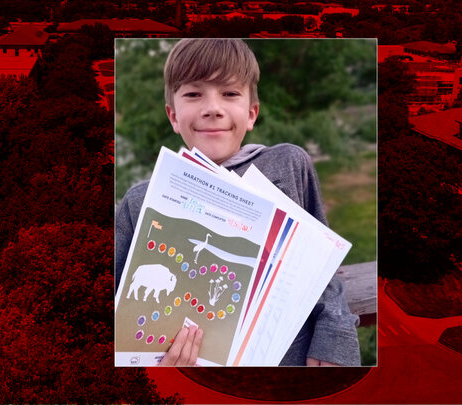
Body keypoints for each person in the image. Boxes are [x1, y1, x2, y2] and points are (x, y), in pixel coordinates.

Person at [115, 38, 360, 366]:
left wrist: (335, 338)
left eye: (229, 94)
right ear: (173, 116)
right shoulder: (141, 201)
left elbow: (323, 274)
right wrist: (156, 368)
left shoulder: (287, 166)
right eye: (193, 94)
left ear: (251, 113)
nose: (213, 107)